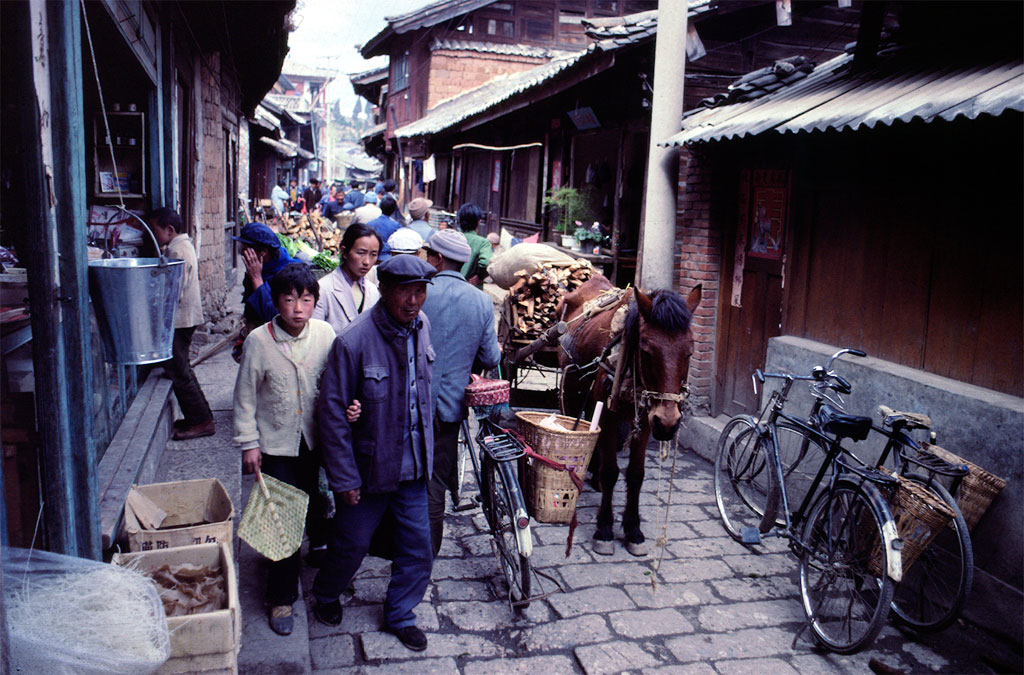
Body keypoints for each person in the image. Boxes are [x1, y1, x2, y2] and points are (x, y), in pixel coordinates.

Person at [312, 255, 438, 653]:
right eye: (406, 291)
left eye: (420, 291)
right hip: (370, 470)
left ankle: (401, 614)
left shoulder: (423, 327)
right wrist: (345, 479)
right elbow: (331, 416)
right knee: (351, 545)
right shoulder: (353, 341)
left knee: (420, 548)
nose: (414, 300)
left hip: (414, 468)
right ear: (384, 290)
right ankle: (327, 593)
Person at [233, 263, 355, 636]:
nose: (298, 308)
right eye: (289, 300)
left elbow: (337, 381)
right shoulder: (259, 341)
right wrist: (249, 443)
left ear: (316, 302)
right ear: (276, 302)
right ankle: (281, 596)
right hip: (276, 444)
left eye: (306, 300)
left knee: (320, 503)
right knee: (281, 518)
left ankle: (321, 557)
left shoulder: (325, 333)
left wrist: (351, 406)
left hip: (320, 439)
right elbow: (245, 399)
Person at [421, 230, 500, 554]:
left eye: (429, 256)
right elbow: (491, 358)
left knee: (412, 483)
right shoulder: (481, 300)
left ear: (438, 259)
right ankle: (427, 552)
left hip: (411, 402)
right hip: (450, 406)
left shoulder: (419, 293)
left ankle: (413, 552)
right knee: (435, 481)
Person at [149, 208, 215, 441]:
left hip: (180, 320)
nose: (153, 235)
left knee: (179, 372)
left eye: (155, 230)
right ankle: (200, 417)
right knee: (180, 369)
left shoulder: (178, 250)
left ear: (169, 230)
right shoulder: (180, 247)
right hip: (182, 320)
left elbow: (173, 290)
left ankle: (201, 421)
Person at [312, 223, 382, 335]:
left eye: (373, 255)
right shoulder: (323, 289)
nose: (367, 262)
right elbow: (316, 336)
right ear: (344, 252)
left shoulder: (372, 290)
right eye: (361, 253)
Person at [234, 222, 298, 329]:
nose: (242, 253)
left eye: (246, 250)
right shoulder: (262, 267)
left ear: (263, 253)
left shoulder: (288, 275)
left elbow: (274, 318)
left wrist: (256, 279)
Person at [456, 203, 492, 288]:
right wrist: (480, 277)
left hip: (450, 285)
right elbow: (485, 263)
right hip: (471, 287)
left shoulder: (452, 237)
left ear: (460, 220)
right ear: (478, 221)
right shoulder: (483, 243)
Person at [367, 195, 402, 262]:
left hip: (372, 257)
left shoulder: (370, 224)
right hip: (389, 258)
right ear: (393, 210)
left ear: (380, 207)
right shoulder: (397, 226)